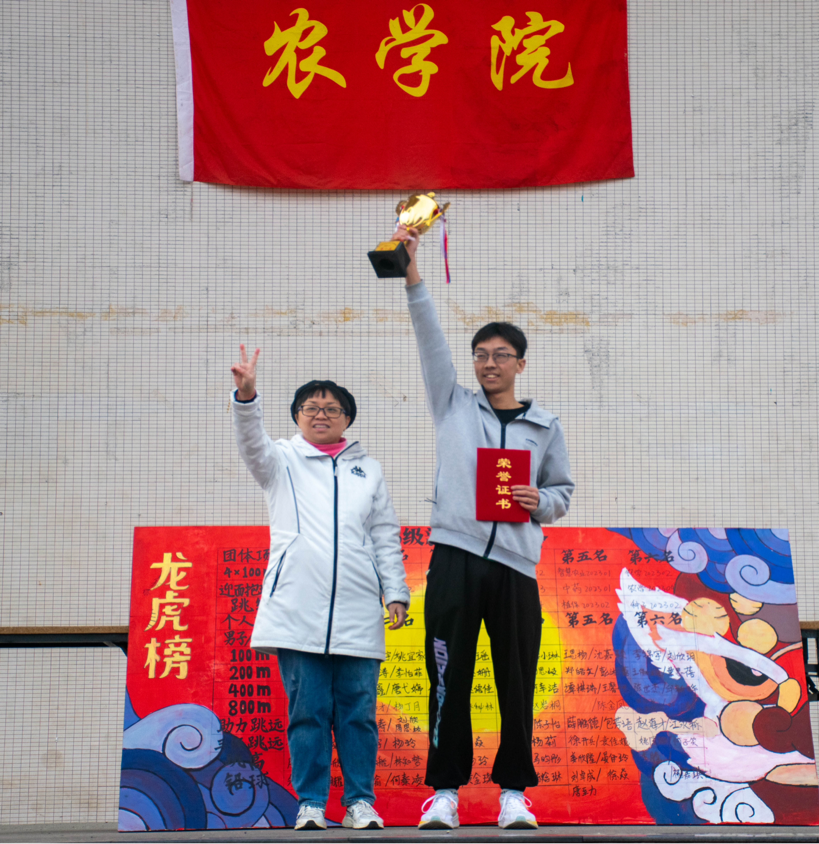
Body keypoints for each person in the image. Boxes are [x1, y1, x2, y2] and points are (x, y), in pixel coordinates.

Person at [392, 227, 575, 830]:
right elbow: (429, 336)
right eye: (480, 355)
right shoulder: (452, 404)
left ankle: (514, 794)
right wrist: (412, 274)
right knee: (447, 675)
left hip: (516, 568)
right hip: (455, 558)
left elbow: (562, 492)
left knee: (515, 681)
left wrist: (539, 500)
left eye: (500, 355)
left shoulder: (545, 427)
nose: (488, 363)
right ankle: (444, 792)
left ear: (521, 363)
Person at [230, 345, 410, 831]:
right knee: (307, 712)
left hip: (358, 611)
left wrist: (395, 591)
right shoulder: (280, 460)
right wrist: (246, 398)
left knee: (358, 714)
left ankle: (359, 803)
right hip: (298, 610)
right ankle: (310, 803)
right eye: (311, 408)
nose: (321, 415)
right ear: (297, 417)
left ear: (347, 418)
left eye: (332, 408)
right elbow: (251, 443)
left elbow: (383, 535)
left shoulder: (368, 470)